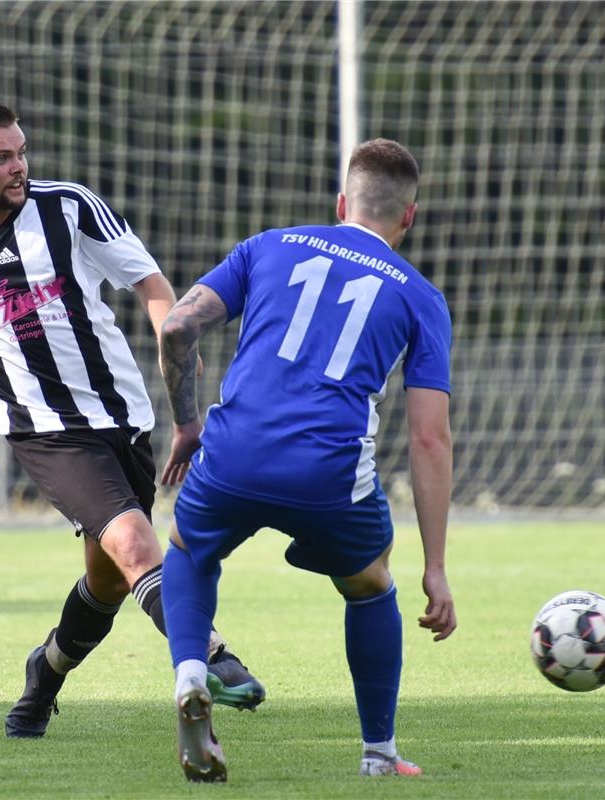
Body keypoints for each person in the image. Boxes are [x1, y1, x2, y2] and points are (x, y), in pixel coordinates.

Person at [0, 101, 265, 740]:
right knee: (136, 544)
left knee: (109, 581)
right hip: (43, 429)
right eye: (1, 157)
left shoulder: (72, 208)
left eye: (21, 152)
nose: (18, 167)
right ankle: (214, 659)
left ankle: (45, 675)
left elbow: (151, 286)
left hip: (123, 419)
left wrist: (178, 361)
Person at [157, 138, 456, 782]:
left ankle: (189, 670)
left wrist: (187, 423)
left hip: (232, 453)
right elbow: (431, 439)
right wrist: (436, 567)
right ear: (409, 217)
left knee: (186, 548)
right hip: (328, 473)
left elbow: (178, 326)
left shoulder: (269, 245)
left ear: (341, 202)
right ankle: (378, 753)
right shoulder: (421, 297)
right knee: (372, 580)